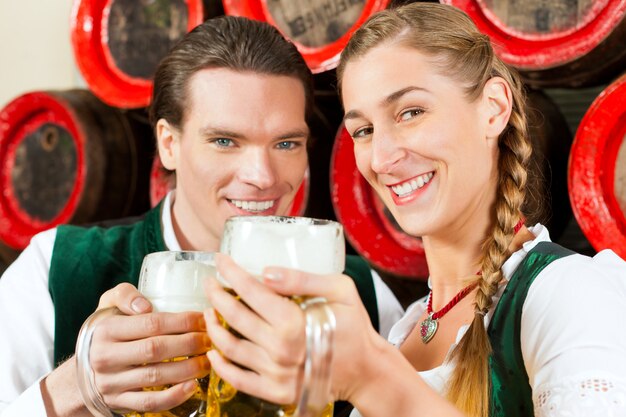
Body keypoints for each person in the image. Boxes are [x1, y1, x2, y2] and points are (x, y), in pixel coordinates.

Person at [202, 3, 626, 417]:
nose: (382, 158)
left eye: (410, 112)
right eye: (364, 130)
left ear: (493, 109)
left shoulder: (569, 293)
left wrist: (372, 380)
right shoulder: (403, 327)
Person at [0, 16, 403, 417]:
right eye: (225, 141)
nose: (262, 177)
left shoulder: (363, 295)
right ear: (169, 144)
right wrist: (76, 384)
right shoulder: (57, 266)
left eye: (285, 143)